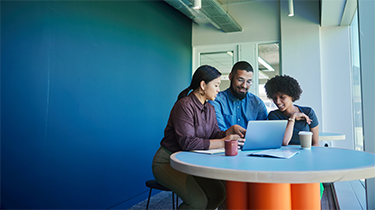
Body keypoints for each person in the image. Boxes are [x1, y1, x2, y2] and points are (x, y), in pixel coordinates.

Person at [152, 65, 246, 210]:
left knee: (219, 194)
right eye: (216, 85)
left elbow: (214, 134)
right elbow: (188, 143)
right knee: (197, 202)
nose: (218, 89)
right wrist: (223, 142)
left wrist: (229, 131)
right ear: (203, 85)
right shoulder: (184, 105)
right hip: (168, 162)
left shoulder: (210, 108)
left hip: (191, 161)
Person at [209, 61, 268, 131]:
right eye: (240, 80)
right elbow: (218, 131)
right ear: (230, 76)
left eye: (248, 82)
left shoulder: (258, 103)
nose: (244, 85)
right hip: (226, 141)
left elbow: (264, 131)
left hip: (251, 142)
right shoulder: (216, 100)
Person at [264, 75, 319, 146]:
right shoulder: (274, 116)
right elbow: (284, 142)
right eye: (274, 98)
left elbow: (315, 143)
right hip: (283, 155)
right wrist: (292, 118)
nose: (277, 101)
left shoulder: (308, 112)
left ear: (292, 96)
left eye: (282, 97)